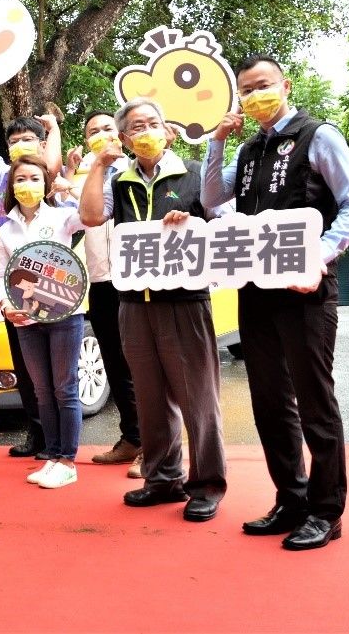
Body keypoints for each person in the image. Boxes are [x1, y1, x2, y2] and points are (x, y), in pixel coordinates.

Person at [201, 54, 349, 550]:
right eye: (246, 90)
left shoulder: (319, 136)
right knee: (270, 400)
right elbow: (214, 199)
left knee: (314, 401)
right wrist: (217, 141)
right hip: (256, 290)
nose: (256, 96)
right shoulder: (249, 149)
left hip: (306, 290)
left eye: (263, 86)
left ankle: (326, 510)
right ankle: (290, 498)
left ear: (285, 84)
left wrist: (319, 254)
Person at [78, 97, 226, 522]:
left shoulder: (197, 174)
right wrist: (98, 165)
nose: (146, 132)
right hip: (133, 303)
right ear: (124, 138)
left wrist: (193, 227)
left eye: (153, 123)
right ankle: (163, 479)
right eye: (136, 127)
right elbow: (90, 216)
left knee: (198, 398)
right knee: (150, 398)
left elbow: (225, 225)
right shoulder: (118, 179)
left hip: (184, 300)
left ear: (168, 129)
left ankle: (207, 485)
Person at [0, 88, 61, 458]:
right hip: (18, 284)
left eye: (28, 139)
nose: (21, 146)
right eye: (15, 141)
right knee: (26, 366)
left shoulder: (54, 179)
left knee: (56, 371)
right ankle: (36, 435)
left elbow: (50, 166)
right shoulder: (7, 179)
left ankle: (57, 442)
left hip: (54, 283)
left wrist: (52, 131)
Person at [0, 155, 86, 488]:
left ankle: (68, 461)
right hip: (25, 320)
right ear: (11, 187)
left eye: (34, 178)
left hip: (65, 314)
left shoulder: (62, 215)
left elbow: (93, 216)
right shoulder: (4, 229)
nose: (27, 185)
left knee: (65, 388)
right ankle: (51, 455)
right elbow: (2, 275)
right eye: (20, 179)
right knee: (42, 391)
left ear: (45, 184)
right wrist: (5, 305)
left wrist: (70, 186)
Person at [66, 111, 143, 478]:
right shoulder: (87, 179)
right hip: (101, 281)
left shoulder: (139, 170)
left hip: (138, 280)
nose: (101, 135)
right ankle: (132, 438)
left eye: (107, 129)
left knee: (144, 365)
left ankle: (156, 446)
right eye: (93, 131)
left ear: (123, 134)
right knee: (115, 363)